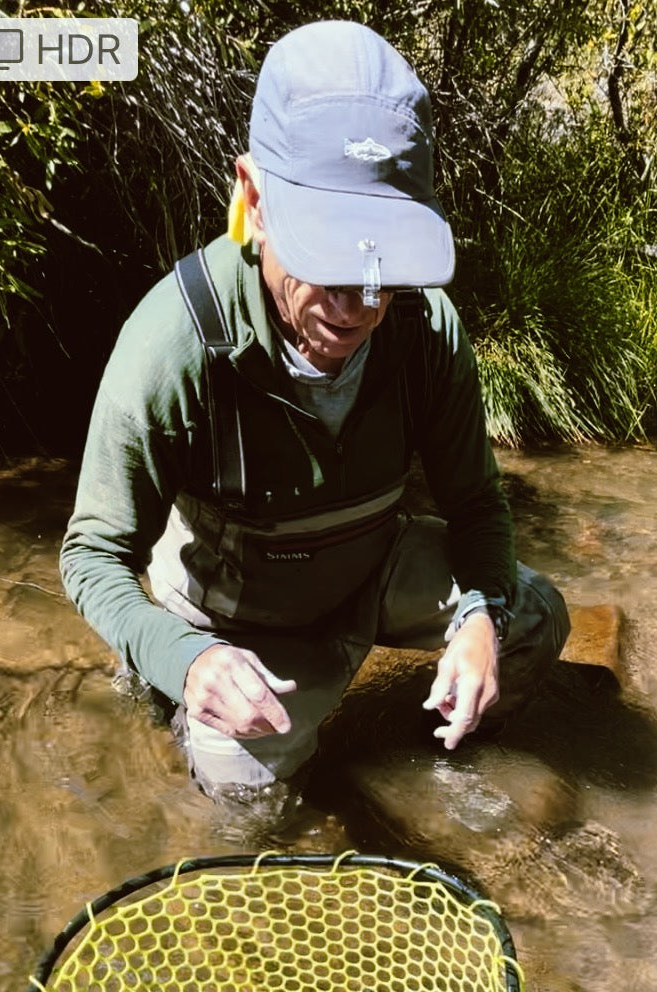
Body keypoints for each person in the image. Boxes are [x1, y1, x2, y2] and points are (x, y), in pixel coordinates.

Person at [60, 19, 570, 798]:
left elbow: (475, 506)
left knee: (528, 620)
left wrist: (476, 621)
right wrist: (185, 658)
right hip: (240, 622)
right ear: (253, 200)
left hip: (370, 565)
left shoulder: (425, 329)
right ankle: (180, 699)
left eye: (383, 265)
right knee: (243, 793)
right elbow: (91, 558)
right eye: (329, 256)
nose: (359, 304)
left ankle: (449, 743)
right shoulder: (173, 345)